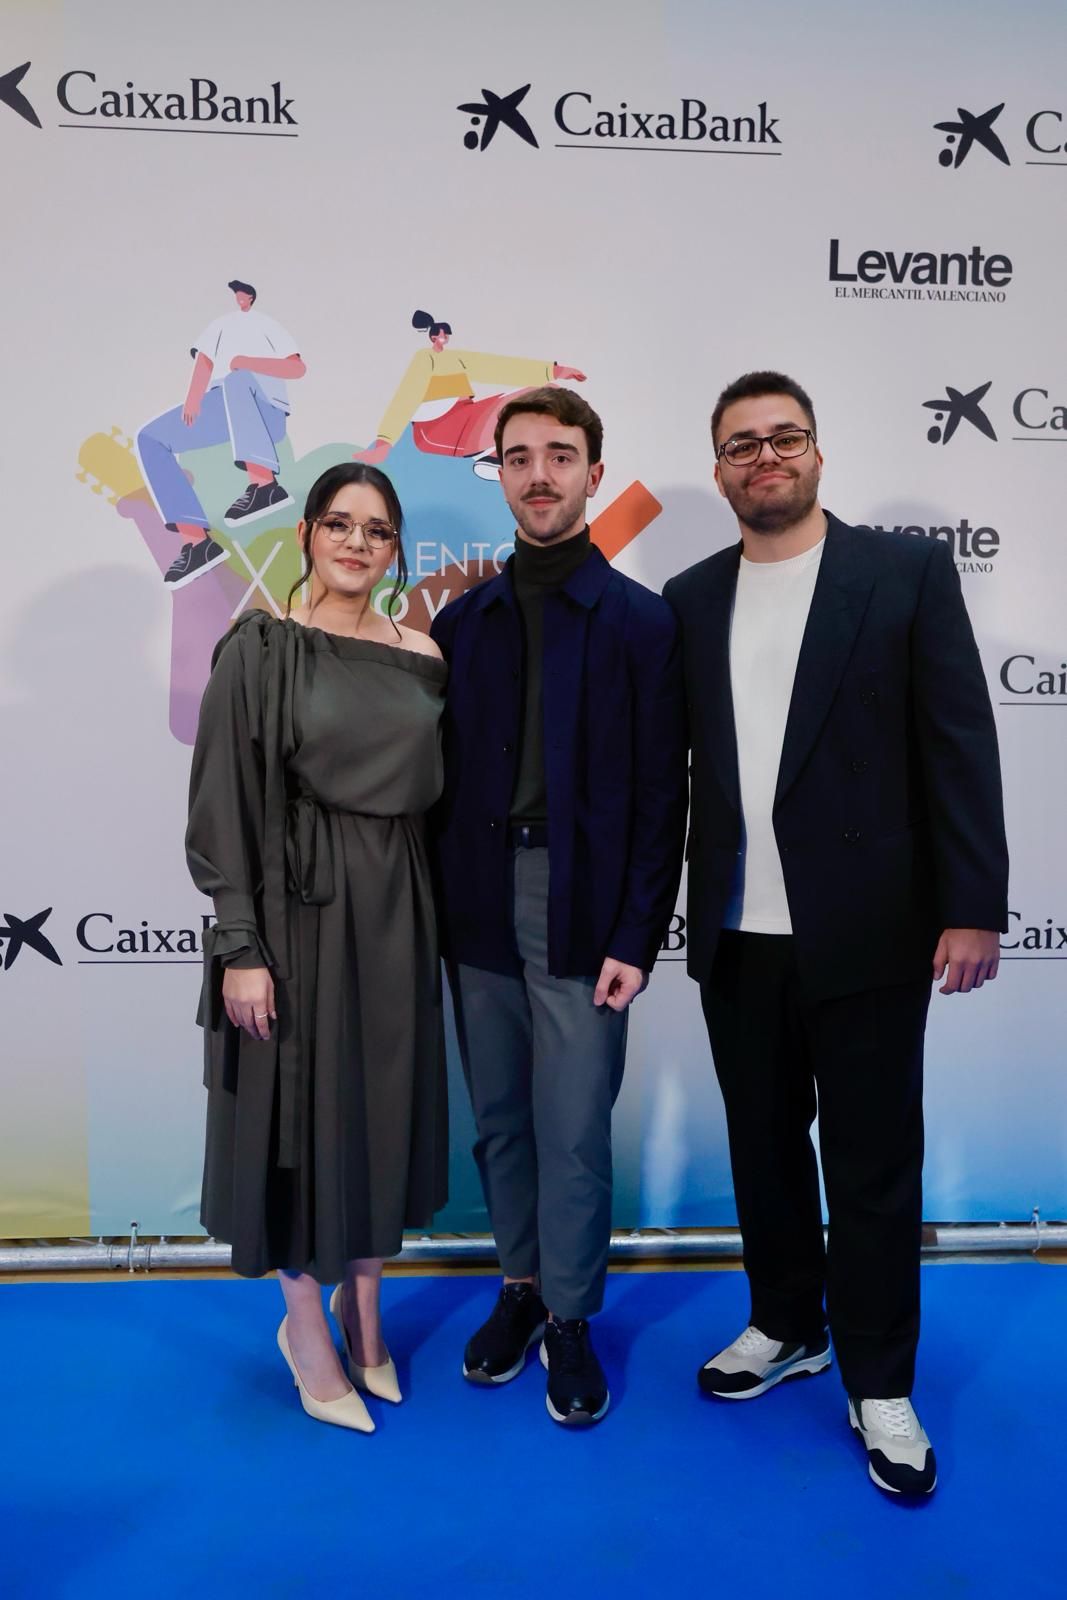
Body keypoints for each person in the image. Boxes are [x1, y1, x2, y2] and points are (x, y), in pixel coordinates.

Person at [663, 371, 1008, 1497]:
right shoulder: (687, 594)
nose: (763, 457)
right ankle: (783, 1322)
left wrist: (971, 903)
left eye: (783, 437)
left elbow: (956, 741)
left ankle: (879, 1381)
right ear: (717, 469)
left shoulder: (899, 573)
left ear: (815, 452)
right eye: (739, 444)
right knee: (760, 1149)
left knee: (865, 1163)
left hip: (866, 929)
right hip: (732, 929)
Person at [430, 387, 687, 1426]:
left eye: (560, 455)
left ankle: (572, 1317)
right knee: (498, 1121)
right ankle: (522, 1290)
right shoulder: (461, 621)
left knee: (571, 1125)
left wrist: (636, 932)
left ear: (591, 470)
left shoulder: (638, 620)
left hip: (579, 904)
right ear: (498, 471)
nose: (539, 473)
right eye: (519, 456)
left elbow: (662, 794)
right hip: (475, 896)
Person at [186, 462, 448, 1432]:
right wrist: (241, 945)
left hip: (397, 912)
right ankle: (306, 1325)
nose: (354, 542)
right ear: (303, 534)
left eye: (375, 530)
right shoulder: (258, 648)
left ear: (393, 549)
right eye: (337, 523)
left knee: (381, 1114)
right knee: (293, 1123)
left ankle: (365, 1308)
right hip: (296, 920)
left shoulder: (423, 652)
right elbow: (222, 811)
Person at [138, 279, 305, 588]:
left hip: (264, 405)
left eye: (244, 292)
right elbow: (204, 362)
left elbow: (296, 369)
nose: (240, 297)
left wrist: (245, 363)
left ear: (251, 298)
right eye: (236, 293)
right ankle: (197, 543)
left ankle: (264, 485)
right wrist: (193, 399)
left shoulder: (267, 325)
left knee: (237, 380)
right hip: (220, 405)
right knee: (150, 437)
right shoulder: (218, 327)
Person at [356, 308, 586, 480]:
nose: (443, 339)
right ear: (432, 336)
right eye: (439, 335)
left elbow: (497, 367)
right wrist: (385, 441)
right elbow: (407, 396)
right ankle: (494, 457)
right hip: (437, 430)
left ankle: (494, 456)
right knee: (528, 403)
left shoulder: (456, 358)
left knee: (548, 394)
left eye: (446, 335)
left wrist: (554, 371)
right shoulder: (424, 359)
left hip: (465, 415)